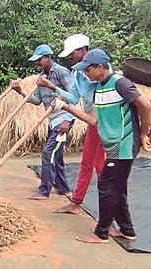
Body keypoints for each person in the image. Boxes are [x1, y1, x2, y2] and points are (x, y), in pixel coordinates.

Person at [54, 49, 151, 243]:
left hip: (123, 144)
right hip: (113, 145)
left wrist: (143, 133)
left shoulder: (120, 83)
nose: (85, 73)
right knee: (117, 188)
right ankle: (127, 230)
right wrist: (66, 107)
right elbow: (92, 120)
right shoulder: (99, 89)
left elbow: (145, 106)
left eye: (88, 69)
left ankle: (101, 233)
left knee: (106, 186)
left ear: (100, 67)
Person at [39, 34, 106, 214]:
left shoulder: (100, 70)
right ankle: (76, 202)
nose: (69, 58)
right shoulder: (77, 72)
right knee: (86, 163)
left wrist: (68, 117)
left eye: (72, 54)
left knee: (102, 168)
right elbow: (74, 97)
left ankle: (108, 214)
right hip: (92, 122)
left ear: (83, 50)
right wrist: (54, 88)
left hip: (106, 123)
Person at [11, 44, 75, 200]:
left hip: (63, 119)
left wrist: (68, 120)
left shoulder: (61, 72)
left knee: (48, 153)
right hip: (53, 120)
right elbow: (37, 101)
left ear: (48, 58)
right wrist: (20, 92)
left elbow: (73, 96)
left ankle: (44, 191)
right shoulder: (41, 78)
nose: (37, 63)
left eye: (39, 60)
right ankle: (64, 188)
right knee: (56, 156)